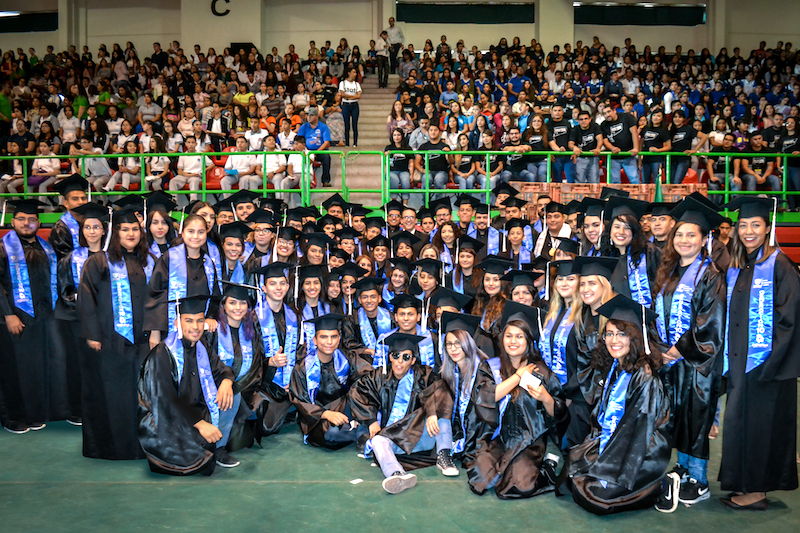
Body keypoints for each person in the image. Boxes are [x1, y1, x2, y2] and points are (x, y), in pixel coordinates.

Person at [560, 295, 679, 515]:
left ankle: (659, 486)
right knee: (569, 473)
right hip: (614, 441)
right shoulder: (615, 366)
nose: (614, 340)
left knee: (597, 500)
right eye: (610, 334)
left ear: (634, 338)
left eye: (622, 334)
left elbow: (640, 431)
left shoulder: (646, 378)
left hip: (640, 451)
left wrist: (607, 463)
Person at [718, 197, 800, 510]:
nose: (749, 230)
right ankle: (745, 483)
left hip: (766, 364)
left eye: (756, 225)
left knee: (761, 427)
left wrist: (771, 361)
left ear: (768, 228)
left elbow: (789, 317)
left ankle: (756, 491)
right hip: (741, 362)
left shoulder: (779, 264)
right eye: (743, 225)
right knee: (740, 423)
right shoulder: (740, 264)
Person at [653, 198, 727, 506]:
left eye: (691, 235)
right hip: (671, 362)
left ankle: (699, 479)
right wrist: (659, 349)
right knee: (678, 416)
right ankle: (682, 468)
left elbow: (710, 323)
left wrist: (677, 350)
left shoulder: (710, 275)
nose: (684, 240)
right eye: (680, 234)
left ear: (704, 239)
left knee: (696, 418)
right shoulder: (668, 272)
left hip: (696, 362)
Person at [76, 204, 155, 458]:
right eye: (124, 229)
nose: (130, 234)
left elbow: (158, 300)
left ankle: (141, 445)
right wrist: (92, 335)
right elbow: (87, 300)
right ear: (115, 233)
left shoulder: (150, 261)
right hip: (111, 341)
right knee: (113, 393)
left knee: (142, 393)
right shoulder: (98, 262)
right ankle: (113, 447)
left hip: (143, 341)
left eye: (134, 229)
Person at [467, 301, 567, 499]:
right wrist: (517, 376)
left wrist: (546, 398)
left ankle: (546, 469)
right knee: (479, 477)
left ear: (528, 341)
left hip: (528, 441)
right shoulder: (491, 367)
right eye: (509, 336)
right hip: (499, 438)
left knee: (517, 486)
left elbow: (560, 412)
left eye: (519, 336)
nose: (513, 341)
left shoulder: (542, 372)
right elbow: (484, 397)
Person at [137, 295, 235, 475]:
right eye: (189, 321)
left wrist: (226, 382)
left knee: (233, 396)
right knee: (199, 459)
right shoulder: (163, 354)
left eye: (199, 321)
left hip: (194, 410)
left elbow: (220, 369)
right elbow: (165, 398)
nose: (195, 327)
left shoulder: (201, 346)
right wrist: (199, 423)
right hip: (165, 418)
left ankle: (216, 447)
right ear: (177, 323)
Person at [349, 331, 454, 495]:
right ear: (390, 357)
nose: (400, 361)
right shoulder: (378, 376)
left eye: (406, 357)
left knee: (442, 415)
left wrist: (432, 412)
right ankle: (397, 474)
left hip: (419, 435)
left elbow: (442, 391)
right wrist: (371, 420)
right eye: (396, 355)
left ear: (413, 360)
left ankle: (444, 455)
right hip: (393, 438)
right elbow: (356, 392)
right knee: (377, 441)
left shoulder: (424, 375)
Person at [0, 200, 59, 434]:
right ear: (12, 221)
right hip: (15, 319)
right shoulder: (4, 248)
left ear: (38, 222)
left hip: (42, 319)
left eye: (32, 219)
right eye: (22, 219)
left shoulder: (46, 248)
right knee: (14, 369)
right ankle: (12, 416)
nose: (27, 223)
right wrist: (8, 315)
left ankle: (35, 413)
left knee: (36, 368)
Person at [54, 202, 108, 427]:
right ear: (82, 231)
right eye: (88, 227)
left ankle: (104, 407)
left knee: (104, 366)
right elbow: (66, 292)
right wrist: (90, 307)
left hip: (108, 322)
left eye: (96, 227)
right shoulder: (70, 259)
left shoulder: (112, 258)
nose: (92, 231)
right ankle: (79, 410)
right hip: (75, 321)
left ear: (104, 230)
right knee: (79, 366)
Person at [204, 281, 265, 465]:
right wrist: (224, 383)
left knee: (246, 437)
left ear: (248, 307)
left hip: (240, 389)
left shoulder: (251, 332)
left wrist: (234, 385)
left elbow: (255, 367)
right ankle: (217, 449)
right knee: (231, 398)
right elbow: (204, 364)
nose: (238, 308)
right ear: (223, 305)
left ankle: (220, 444)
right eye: (232, 302)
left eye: (242, 303)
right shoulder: (212, 330)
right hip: (211, 389)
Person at [289, 313, 369, 449]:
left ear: (339, 339)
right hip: (317, 417)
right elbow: (299, 400)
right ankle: (363, 433)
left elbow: (367, 378)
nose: (329, 342)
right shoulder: (302, 368)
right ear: (315, 340)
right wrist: (325, 413)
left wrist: (355, 406)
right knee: (330, 435)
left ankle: (360, 429)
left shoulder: (347, 359)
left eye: (333, 337)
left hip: (345, 408)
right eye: (323, 337)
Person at [145, 214, 220, 349]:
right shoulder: (170, 258)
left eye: (201, 232)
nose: (196, 236)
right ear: (182, 233)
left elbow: (214, 296)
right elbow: (155, 293)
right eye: (191, 231)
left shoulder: (208, 262)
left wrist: (210, 317)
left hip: (199, 332)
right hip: (170, 329)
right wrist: (155, 331)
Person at [437, 312, 494, 467]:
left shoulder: (483, 369)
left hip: (483, 431)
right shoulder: (451, 372)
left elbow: (487, 403)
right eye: (449, 344)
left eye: (458, 343)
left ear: (468, 343)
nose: (453, 348)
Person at [252, 262, 301, 437]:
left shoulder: (294, 315)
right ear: (263, 288)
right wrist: (270, 363)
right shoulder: (254, 317)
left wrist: (293, 378)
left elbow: (299, 350)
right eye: (273, 284)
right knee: (266, 425)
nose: (278, 288)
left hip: (289, 382)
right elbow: (250, 356)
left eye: (282, 283)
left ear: (288, 286)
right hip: (265, 383)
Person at [48, 174, 90, 259]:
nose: (81, 202)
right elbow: (62, 258)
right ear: (66, 203)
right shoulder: (60, 228)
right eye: (75, 199)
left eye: (83, 198)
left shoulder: (93, 223)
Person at [601, 105, 640, 184]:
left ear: (614, 111)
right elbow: (604, 140)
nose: (607, 115)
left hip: (628, 154)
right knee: (614, 181)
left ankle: (638, 196)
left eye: (609, 112)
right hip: (614, 157)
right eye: (604, 113)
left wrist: (636, 148)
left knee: (634, 179)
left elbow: (634, 132)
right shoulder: (603, 125)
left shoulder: (626, 117)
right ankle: (615, 196)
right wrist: (612, 148)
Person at [296, 107, 331, 186]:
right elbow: (299, 141)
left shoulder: (323, 127)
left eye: (311, 115)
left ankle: (325, 181)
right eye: (308, 115)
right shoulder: (303, 127)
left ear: (316, 116)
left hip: (319, 151)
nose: (309, 117)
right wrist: (307, 151)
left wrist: (316, 152)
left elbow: (327, 142)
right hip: (306, 151)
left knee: (326, 157)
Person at [569, 110, 603, 184]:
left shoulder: (595, 126)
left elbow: (600, 139)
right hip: (580, 158)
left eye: (586, 119)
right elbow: (570, 143)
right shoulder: (575, 129)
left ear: (590, 119)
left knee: (594, 182)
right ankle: (580, 196)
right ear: (578, 121)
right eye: (581, 119)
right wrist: (574, 148)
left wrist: (598, 148)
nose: (584, 121)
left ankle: (594, 196)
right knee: (579, 181)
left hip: (593, 157)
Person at [339, 67, 362, 147]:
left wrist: (349, 97)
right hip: (346, 105)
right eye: (353, 72)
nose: (355, 74)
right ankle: (347, 143)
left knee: (355, 124)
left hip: (354, 105)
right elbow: (342, 94)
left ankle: (355, 143)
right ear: (349, 73)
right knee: (347, 124)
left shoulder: (356, 84)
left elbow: (358, 96)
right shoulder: (343, 83)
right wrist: (353, 96)